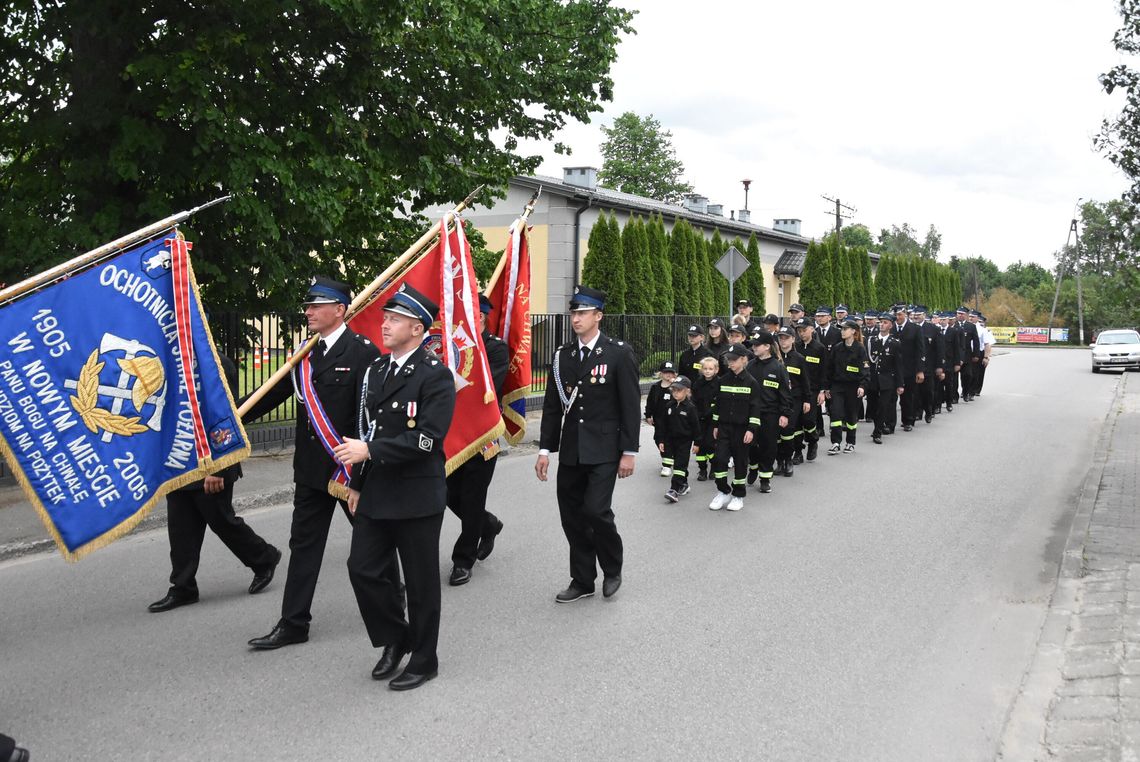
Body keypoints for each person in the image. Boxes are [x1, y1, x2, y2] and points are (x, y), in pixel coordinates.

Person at [242, 276, 383, 650]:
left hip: (348, 471)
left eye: (316, 305)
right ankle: (293, 623)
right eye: (307, 305)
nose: (308, 311)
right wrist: (232, 418)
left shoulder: (362, 353)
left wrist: (360, 475)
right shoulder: (304, 355)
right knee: (303, 545)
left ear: (340, 310)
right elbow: (269, 395)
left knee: (374, 540)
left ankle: (395, 601)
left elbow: (369, 418)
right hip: (310, 471)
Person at [332, 283, 455, 691]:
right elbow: (369, 428)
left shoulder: (436, 376)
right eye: (385, 318)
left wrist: (369, 451)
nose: (384, 325)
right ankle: (396, 637)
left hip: (418, 495)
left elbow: (427, 440)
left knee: (421, 584)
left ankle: (425, 659)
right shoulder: (377, 371)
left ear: (417, 329)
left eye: (394, 319)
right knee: (363, 569)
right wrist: (356, 483)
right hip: (378, 490)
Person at [148, 351, 281, 613]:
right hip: (181, 461)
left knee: (222, 520)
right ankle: (183, 587)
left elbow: (225, 416)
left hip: (213, 461)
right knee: (180, 525)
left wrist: (219, 468)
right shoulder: (169, 365)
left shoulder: (216, 363)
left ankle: (264, 558)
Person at [535, 285, 639, 603]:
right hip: (571, 450)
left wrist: (629, 452)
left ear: (598, 316)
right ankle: (582, 579)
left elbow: (630, 405)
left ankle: (612, 568)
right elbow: (553, 407)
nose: (576, 318)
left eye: (582, 313)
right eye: (573, 312)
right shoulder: (563, 356)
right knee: (572, 517)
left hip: (605, 450)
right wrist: (544, 450)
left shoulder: (618, 352)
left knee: (596, 511)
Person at [442, 294, 508, 587]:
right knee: (447, 494)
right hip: (451, 435)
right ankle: (488, 523)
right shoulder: (447, 347)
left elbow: (485, 384)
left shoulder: (495, 350)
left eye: (476, 318)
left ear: (482, 319)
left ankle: (462, 560)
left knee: (471, 496)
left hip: (482, 437)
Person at [708, 343, 762, 512]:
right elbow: (717, 405)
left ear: (744, 360)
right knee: (720, 459)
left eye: (733, 360)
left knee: (740, 462)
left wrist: (751, 429)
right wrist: (716, 425)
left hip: (742, 429)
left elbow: (755, 408)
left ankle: (738, 495)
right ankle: (723, 491)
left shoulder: (751, 382)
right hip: (724, 427)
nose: (730, 363)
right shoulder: (723, 380)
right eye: (728, 360)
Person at [745, 330, 791, 494]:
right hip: (751, 413)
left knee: (768, 446)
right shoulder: (750, 366)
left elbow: (785, 392)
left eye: (757, 345)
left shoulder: (778, 367)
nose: (754, 348)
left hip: (770, 413)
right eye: (753, 345)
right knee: (750, 444)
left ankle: (765, 478)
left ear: (767, 347)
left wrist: (785, 413)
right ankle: (753, 468)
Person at [820, 318, 869, 454]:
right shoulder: (837, 348)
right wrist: (827, 387)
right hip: (837, 386)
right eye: (841, 329)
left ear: (853, 331)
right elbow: (829, 369)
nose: (842, 331)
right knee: (835, 413)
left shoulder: (860, 349)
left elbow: (865, 369)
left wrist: (862, 386)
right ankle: (836, 442)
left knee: (851, 415)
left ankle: (850, 442)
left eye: (845, 329)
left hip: (853, 387)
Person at [775, 325, 811, 477]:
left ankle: (788, 460)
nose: (783, 341)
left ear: (793, 339)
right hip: (776, 399)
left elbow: (805, 382)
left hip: (794, 399)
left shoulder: (799, 359)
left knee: (788, 429)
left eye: (786, 338)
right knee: (776, 431)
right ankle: (780, 461)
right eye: (781, 338)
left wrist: (807, 400)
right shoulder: (775, 358)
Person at [659, 376, 701, 503]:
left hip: (684, 442)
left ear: (687, 391)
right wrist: (661, 440)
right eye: (674, 390)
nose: (675, 393)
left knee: (679, 465)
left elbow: (696, 427)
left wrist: (697, 443)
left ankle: (674, 489)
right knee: (675, 464)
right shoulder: (669, 405)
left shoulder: (690, 408)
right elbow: (663, 425)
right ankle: (684, 484)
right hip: (670, 440)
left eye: (679, 390)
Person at [866, 313, 904, 444]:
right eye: (881, 322)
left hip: (887, 380)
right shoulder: (871, 340)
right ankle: (878, 426)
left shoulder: (895, 343)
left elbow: (899, 365)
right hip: (873, 379)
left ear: (891, 326)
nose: (882, 324)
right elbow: (867, 361)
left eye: (885, 322)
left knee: (883, 406)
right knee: (874, 406)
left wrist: (900, 384)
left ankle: (877, 431)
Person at [793, 317, 826, 462]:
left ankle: (813, 441)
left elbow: (824, 371)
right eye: (799, 331)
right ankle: (798, 452)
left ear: (812, 329)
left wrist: (822, 391)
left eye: (804, 330)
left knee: (808, 420)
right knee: (796, 422)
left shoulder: (819, 348)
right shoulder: (796, 347)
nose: (801, 333)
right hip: (797, 390)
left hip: (813, 390)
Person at [891, 304, 925, 432]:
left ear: (905, 314)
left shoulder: (915, 329)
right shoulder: (891, 328)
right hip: (893, 368)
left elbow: (920, 351)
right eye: (895, 315)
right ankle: (890, 423)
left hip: (909, 369)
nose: (897, 317)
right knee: (890, 398)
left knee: (908, 397)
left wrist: (920, 370)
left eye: (899, 314)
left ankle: (908, 420)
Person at [912, 306, 945, 424]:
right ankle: (917, 412)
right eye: (914, 314)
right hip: (914, 366)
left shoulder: (933, 329)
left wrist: (940, 366)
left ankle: (929, 411)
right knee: (915, 392)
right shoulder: (910, 328)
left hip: (929, 366)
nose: (916, 316)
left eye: (919, 314)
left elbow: (940, 349)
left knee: (928, 391)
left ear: (924, 316)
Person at [645, 361, 678, 477]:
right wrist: (648, 415)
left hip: (674, 420)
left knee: (670, 441)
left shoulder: (676, 387)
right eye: (666, 373)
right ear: (661, 374)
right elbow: (650, 402)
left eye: (671, 373)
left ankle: (667, 465)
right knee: (659, 439)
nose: (668, 375)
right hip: (659, 420)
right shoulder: (655, 387)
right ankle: (667, 459)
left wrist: (675, 386)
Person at [691, 356, 720, 481]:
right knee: (700, 445)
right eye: (705, 369)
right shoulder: (698, 383)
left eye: (710, 369)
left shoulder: (719, 383)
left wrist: (711, 413)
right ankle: (702, 470)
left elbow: (719, 403)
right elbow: (694, 400)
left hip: (712, 420)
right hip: (699, 419)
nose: (707, 371)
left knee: (710, 444)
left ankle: (714, 468)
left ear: (716, 370)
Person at [955, 307, 981, 402]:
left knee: (967, 375)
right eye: (958, 313)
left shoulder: (971, 326)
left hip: (967, 355)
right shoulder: (954, 325)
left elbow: (976, 341)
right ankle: (954, 395)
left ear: (966, 315)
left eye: (962, 314)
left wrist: (976, 355)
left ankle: (965, 392)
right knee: (954, 378)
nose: (960, 315)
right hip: (955, 355)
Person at [939, 311, 963, 413]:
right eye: (941, 320)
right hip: (939, 361)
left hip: (949, 361)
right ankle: (938, 405)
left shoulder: (953, 332)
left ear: (948, 320)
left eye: (944, 320)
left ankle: (949, 403)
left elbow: (957, 348)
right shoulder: (937, 331)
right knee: (938, 385)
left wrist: (957, 363)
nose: (942, 321)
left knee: (949, 384)